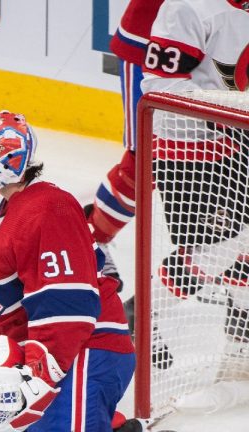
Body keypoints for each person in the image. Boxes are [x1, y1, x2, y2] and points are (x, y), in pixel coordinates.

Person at [0, 111, 135, 431]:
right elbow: (10, 295)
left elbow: (67, 308)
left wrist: (38, 377)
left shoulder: (49, 208)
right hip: (43, 353)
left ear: (10, 156)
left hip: (84, 349)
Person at [140, 0, 249, 374]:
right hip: (186, 144)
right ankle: (137, 319)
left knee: (247, 241)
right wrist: (230, 110)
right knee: (216, 250)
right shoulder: (189, 6)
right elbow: (159, 87)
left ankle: (241, 340)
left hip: (236, 138)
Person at [85, 0, 165, 287]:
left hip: (221, 47)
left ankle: (227, 271)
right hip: (155, 49)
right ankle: (91, 237)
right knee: (145, 161)